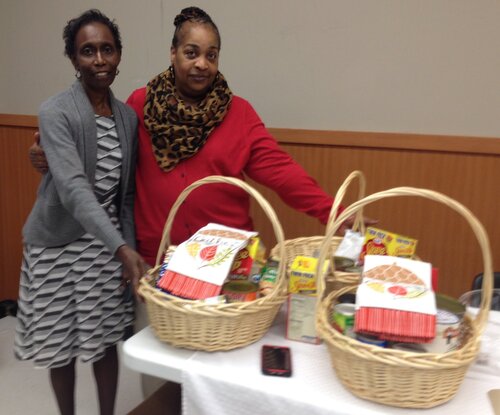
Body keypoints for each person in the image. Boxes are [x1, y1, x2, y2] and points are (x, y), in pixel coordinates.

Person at [16, 9, 145, 415]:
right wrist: (122, 248)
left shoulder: (127, 118)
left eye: (107, 49)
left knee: (105, 340)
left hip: (105, 245)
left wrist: (126, 247)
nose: (99, 59)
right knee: (61, 346)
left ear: (119, 54)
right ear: (73, 58)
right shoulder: (55, 111)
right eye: (88, 51)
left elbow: (125, 196)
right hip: (56, 244)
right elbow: (73, 188)